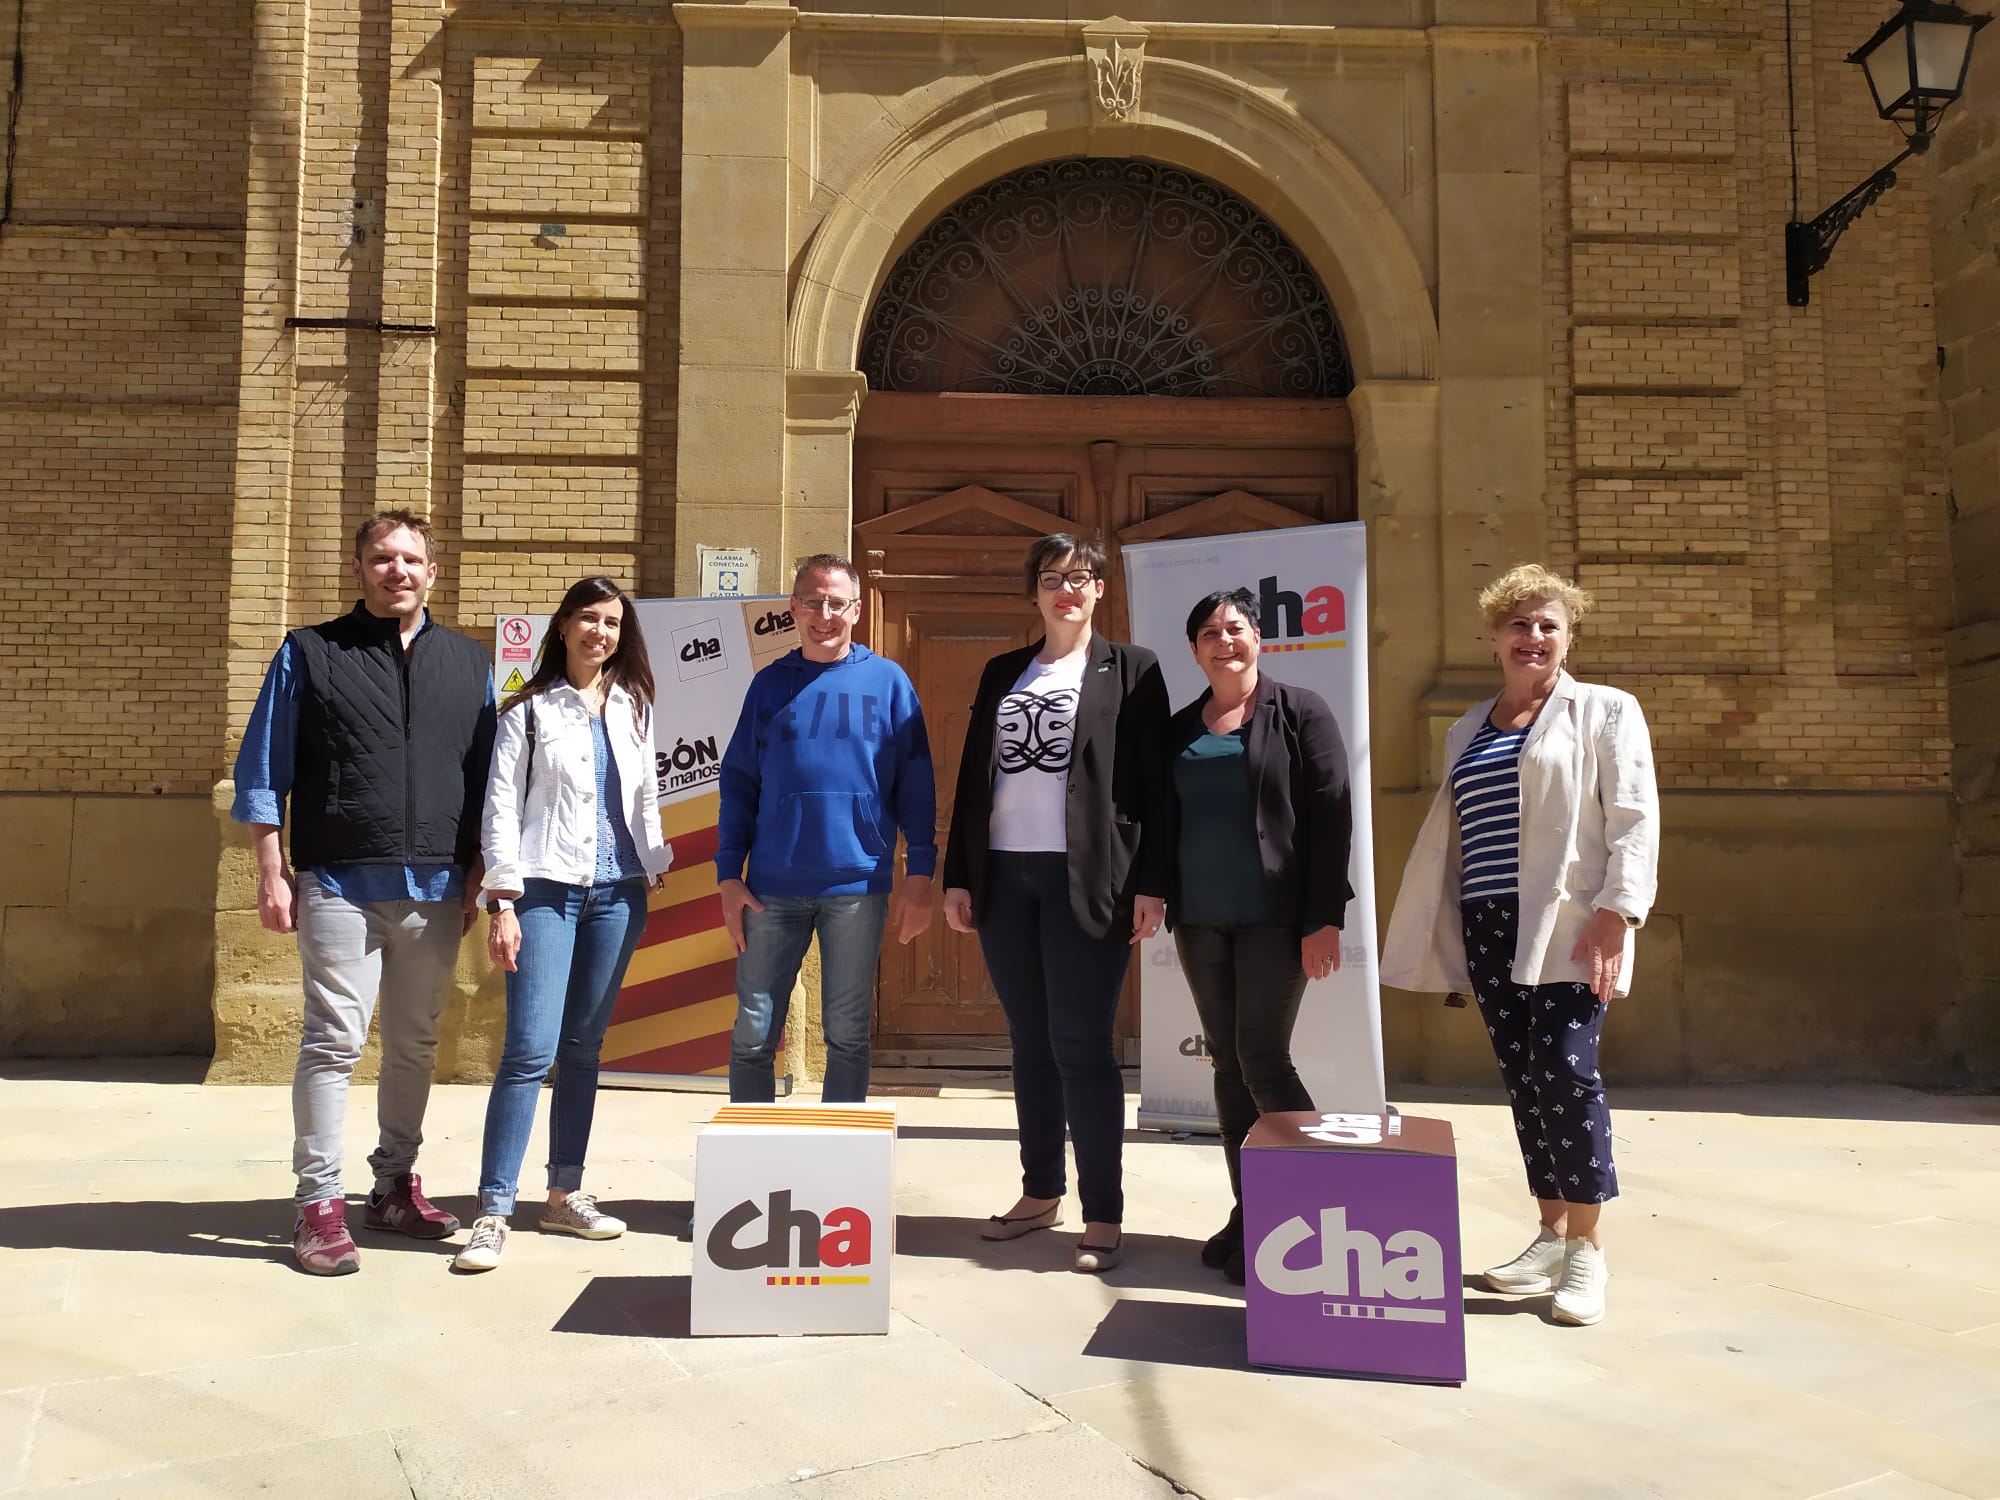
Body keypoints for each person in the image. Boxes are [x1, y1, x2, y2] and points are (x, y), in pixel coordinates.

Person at [1381, 563, 1659, 1326]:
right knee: (1526, 1079)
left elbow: (1633, 817)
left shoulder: (1604, 711)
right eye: (1519, 625)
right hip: (1488, 924)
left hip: (1571, 926)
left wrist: (1618, 912)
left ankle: (1588, 1251)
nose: (1532, 637)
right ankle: (1550, 1230)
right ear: (1493, 636)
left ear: (1568, 637)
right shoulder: (1467, 728)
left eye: (1548, 626)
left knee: (1568, 1072)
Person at [231, 508, 497, 1276]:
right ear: (360, 569)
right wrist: (270, 869)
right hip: (340, 882)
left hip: (436, 886)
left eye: (411, 559)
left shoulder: (469, 663)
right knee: (333, 1042)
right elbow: (262, 768)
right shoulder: (310, 652)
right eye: (382, 559)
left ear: (433, 572)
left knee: (415, 1042)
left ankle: (391, 1186)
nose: (398, 571)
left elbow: (486, 781)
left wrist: (481, 869)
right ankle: (317, 1205)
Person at [943, 533, 1171, 1274]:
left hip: (1088, 881)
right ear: (1034, 592)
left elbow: (1154, 789)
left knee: (1082, 1045)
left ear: (1100, 590)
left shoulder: (1132, 670)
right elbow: (975, 781)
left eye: (1080, 579)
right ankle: (1040, 1192)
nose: (1066, 590)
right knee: (1029, 1043)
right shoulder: (1003, 670)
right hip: (1006, 880)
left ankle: (1102, 1211)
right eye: (1052, 579)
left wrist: (1151, 883)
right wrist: (959, 876)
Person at [453, 578, 676, 1273]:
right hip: (545, 891)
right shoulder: (527, 711)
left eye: (611, 622)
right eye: (588, 618)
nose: (599, 633)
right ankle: (492, 1211)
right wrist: (503, 902)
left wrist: (655, 859)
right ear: (565, 626)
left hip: (619, 893)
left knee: (583, 1049)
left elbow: (646, 794)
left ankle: (562, 1194)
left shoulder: (636, 706)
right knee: (528, 1050)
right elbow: (498, 810)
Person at [1166, 587, 1353, 1285]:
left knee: (1262, 1058)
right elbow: (1160, 820)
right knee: (1227, 1065)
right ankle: (1254, 1216)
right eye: (1210, 631)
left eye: (1236, 627)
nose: (1225, 640)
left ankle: (1320, 1214)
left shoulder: (1301, 711)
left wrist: (1324, 916)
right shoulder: (1182, 726)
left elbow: (1333, 815)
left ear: (1258, 639)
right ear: (1195, 649)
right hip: (1201, 918)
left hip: (1277, 916)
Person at [716, 553, 937, 1103]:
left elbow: (916, 781)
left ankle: (840, 1169)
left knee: (848, 1035)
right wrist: (728, 875)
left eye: (837, 603)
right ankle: (752, 1162)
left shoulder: (888, 682)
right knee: (752, 1033)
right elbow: (739, 783)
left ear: (856, 610)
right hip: (771, 887)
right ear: (793, 607)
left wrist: (920, 874)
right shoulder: (768, 686)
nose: (825, 613)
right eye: (813, 601)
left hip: (858, 885)